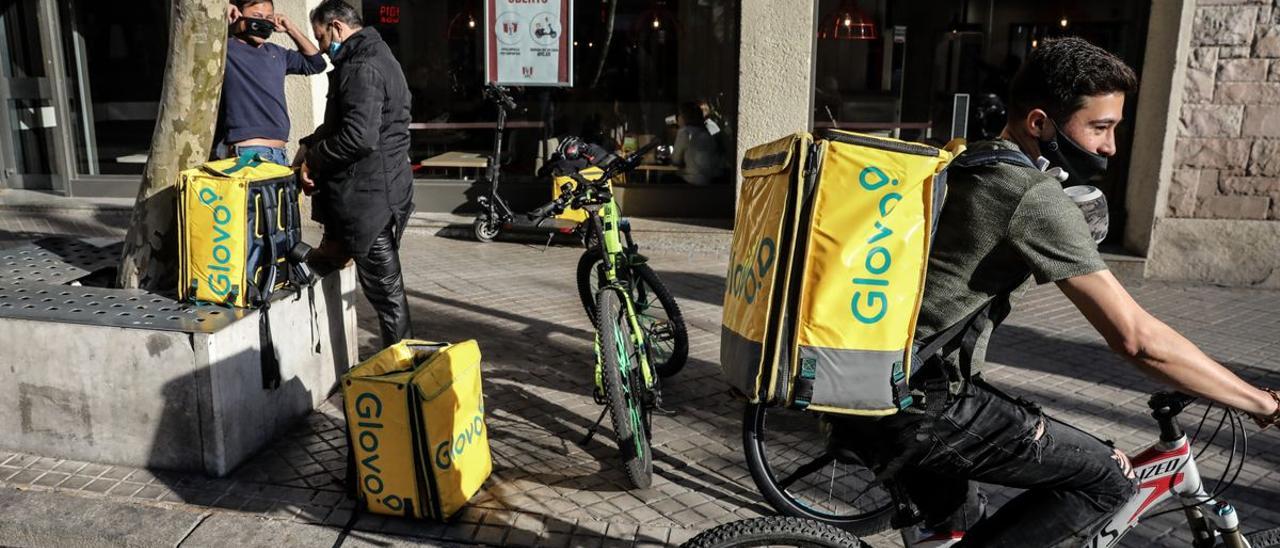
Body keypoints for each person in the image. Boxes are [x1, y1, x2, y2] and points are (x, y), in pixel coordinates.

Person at [830, 37, 1279, 547]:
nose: (1110, 146)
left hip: (869, 385)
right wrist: (1262, 403)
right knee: (1110, 482)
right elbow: (1137, 339)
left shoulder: (974, 158)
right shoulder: (1031, 194)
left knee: (961, 519)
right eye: (1100, 128)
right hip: (924, 404)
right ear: (1040, 123)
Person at [295, 0, 414, 348]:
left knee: (387, 295)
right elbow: (346, 121)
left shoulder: (362, 66)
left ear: (336, 26)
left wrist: (313, 160)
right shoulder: (373, 56)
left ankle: (402, 372)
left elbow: (358, 138)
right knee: (337, 262)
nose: (320, 47)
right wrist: (310, 142)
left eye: (320, 37)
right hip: (372, 193)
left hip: (369, 199)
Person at [218, 0, 326, 165]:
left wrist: (291, 28)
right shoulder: (225, 50)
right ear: (238, 14)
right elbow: (197, 44)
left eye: (268, 17)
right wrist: (220, 17)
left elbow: (316, 64)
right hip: (247, 154)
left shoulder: (277, 53)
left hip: (280, 154)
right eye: (256, 16)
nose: (262, 22)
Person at [671, 101, 724, 185]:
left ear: (684, 116)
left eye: (679, 115)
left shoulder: (685, 132)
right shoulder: (710, 131)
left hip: (693, 182)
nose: (677, 118)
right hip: (712, 182)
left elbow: (675, 160)